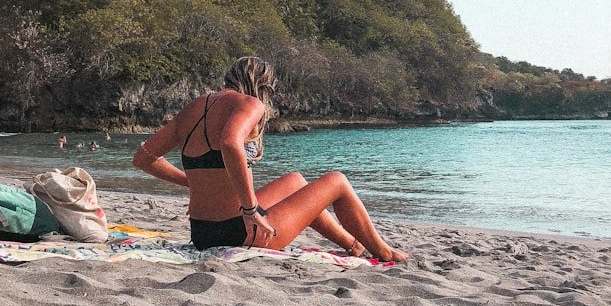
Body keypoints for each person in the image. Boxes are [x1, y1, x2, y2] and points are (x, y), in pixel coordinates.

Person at [133, 55, 407, 261]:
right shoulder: (250, 104)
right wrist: (250, 209)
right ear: (261, 85)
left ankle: (353, 244)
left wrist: (196, 183)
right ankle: (383, 251)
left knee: (296, 181)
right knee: (337, 181)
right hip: (239, 233)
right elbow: (230, 143)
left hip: (202, 234)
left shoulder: (195, 107)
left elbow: (143, 158)